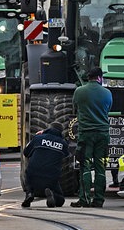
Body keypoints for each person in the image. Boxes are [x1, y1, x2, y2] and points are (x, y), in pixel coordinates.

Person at [71, 67, 113, 208]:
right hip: (102, 134)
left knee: (85, 166)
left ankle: (84, 199)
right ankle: (99, 200)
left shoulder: (79, 91)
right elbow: (108, 109)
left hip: (85, 134)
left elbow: (75, 107)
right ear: (100, 78)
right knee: (101, 167)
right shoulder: (107, 93)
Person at [22, 121, 69, 208]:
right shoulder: (63, 143)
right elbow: (66, 155)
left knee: (28, 174)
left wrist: (37, 137)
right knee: (60, 200)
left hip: (33, 173)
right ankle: (52, 195)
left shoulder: (38, 138)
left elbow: (26, 152)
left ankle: (30, 193)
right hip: (51, 176)